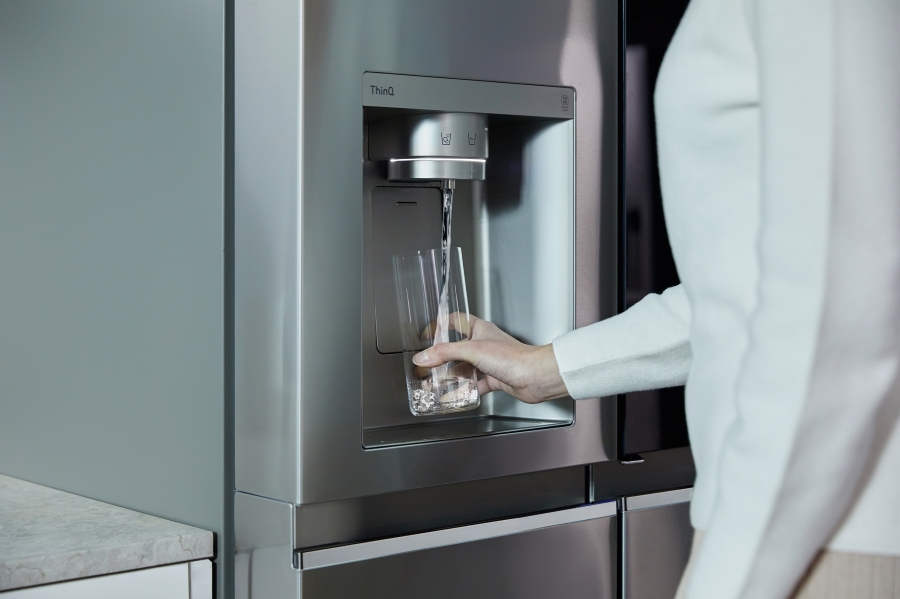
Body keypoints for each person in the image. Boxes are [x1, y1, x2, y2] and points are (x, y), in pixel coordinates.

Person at [412, 0, 900, 597]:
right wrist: (547, 367)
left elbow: (836, 312)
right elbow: (745, 292)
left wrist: (725, 576)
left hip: (820, 537)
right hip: (783, 525)